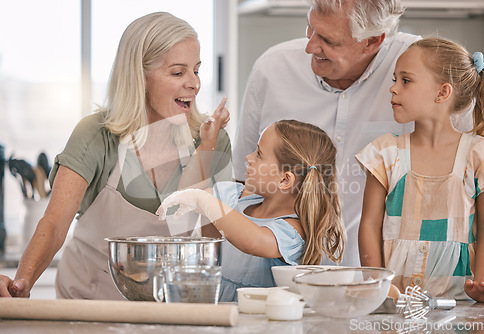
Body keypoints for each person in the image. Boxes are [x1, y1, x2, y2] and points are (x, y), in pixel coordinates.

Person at [0, 12, 232, 307]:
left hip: (172, 311)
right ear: (140, 77)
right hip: (88, 307)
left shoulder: (209, 141)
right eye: (178, 73)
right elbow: (53, 224)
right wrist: (21, 283)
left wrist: (207, 151)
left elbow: (211, 242)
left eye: (197, 70)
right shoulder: (96, 136)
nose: (194, 84)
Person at [233, 0, 452, 267]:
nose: (310, 46)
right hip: (279, 280)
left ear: (372, 41)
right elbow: (242, 182)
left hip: (386, 280)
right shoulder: (271, 69)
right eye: (309, 28)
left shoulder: (422, 69)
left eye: (328, 40)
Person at [158, 119, 346, 302]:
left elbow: (252, 241)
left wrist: (203, 199)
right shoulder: (234, 198)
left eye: (259, 154)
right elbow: (188, 194)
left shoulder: (294, 231)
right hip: (221, 311)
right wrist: (207, 145)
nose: (248, 158)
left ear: (284, 180)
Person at [356, 37, 484, 300]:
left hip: (461, 301)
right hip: (396, 303)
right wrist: (377, 286)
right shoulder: (384, 153)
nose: (392, 89)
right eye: (394, 79)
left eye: (405, 80)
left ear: (442, 92)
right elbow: (369, 224)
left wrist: (482, 280)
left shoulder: (477, 154)